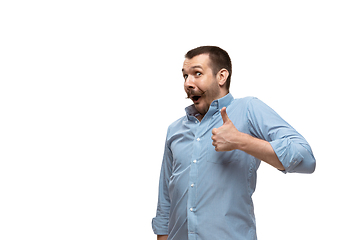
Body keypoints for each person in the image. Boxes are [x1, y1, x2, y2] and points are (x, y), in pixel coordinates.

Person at [152, 46, 316, 240]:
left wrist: (241, 141)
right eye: (185, 76)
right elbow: (165, 198)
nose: (188, 83)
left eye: (197, 73)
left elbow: (306, 159)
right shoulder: (175, 129)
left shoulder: (248, 109)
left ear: (221, 77)